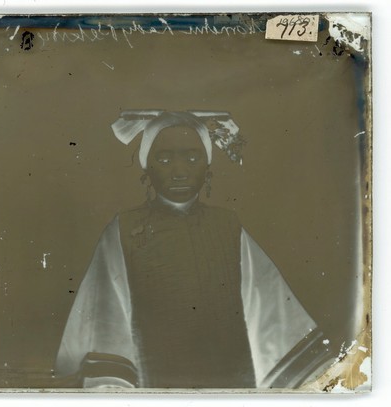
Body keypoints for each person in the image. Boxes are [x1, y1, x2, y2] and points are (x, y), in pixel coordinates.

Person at [55, 110, 330, 389]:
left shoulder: (228, 227)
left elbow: (269, 310)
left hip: (226, 375)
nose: (179, 170)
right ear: (147, 167)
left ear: (207, 166)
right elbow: (106, 315)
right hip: (153, 380)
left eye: (192, 157)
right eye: (164, 159)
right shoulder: (125, 229)